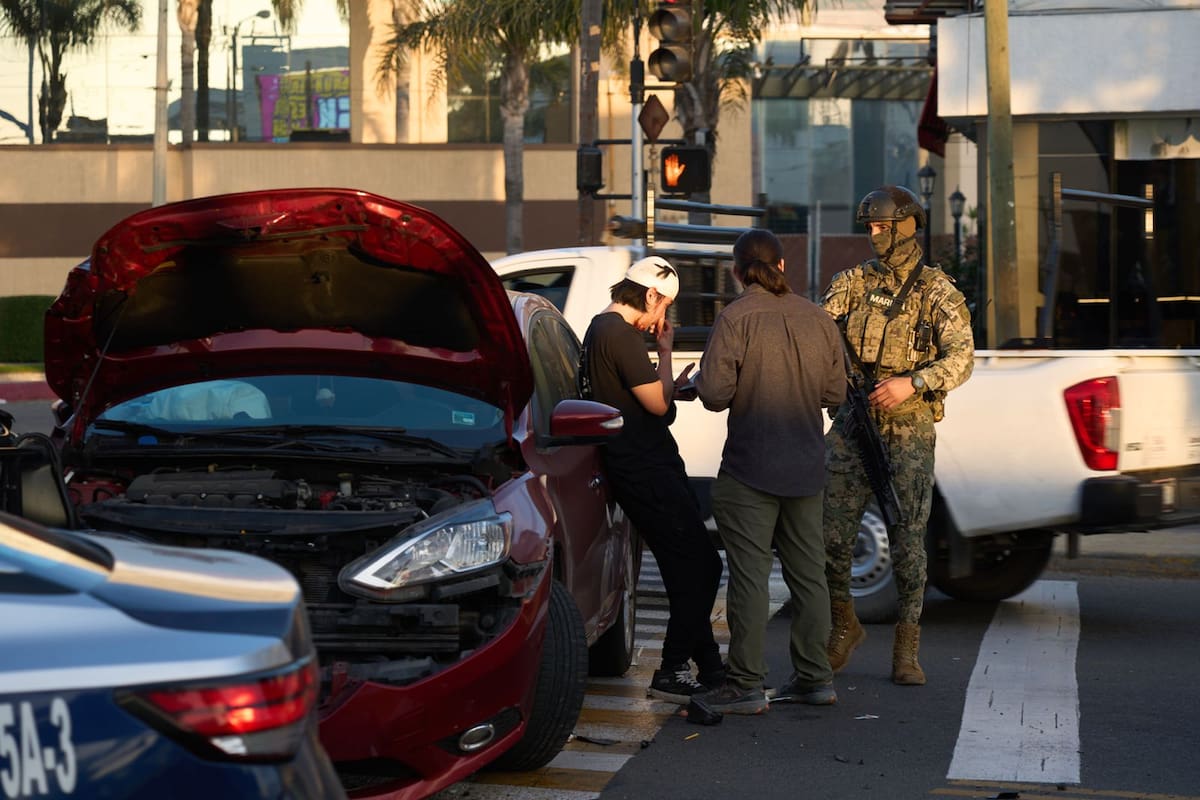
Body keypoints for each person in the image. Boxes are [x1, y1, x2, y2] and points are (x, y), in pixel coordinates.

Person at [821, 184, 975, 686]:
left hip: (908, 428)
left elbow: (961, 359)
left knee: (908, 539)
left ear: (907, 226)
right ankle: (844, 621)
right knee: (831, 533)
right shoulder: (850, 283)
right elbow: (820, 335)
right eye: (869, 226)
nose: (874, 235)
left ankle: (907, 648)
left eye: (882, 226)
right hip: (852, 422)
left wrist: (914, 382)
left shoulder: (937, 292)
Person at [692, 229, 847, 715]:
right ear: (782, 267)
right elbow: (835, 395)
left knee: (750, 579)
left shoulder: (734, 318)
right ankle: (815, 679)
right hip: (805, 467)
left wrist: (700, 379)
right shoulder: (818, 318)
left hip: (749, 469)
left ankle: (746, 684)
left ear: (738, 272)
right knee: (810, 577)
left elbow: (715, 395)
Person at [579, 255, 725, 703]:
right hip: (646, 472)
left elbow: (644, 397)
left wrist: (667, 384)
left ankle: (712, 670)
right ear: (650, 295)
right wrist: (664, 354)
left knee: (686, 571)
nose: (661, 320)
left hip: (640, 469)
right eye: (664, 308)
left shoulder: (598, 329)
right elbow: (659, 407)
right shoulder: (619, 335)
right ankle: (672, 668)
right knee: (704, 567)